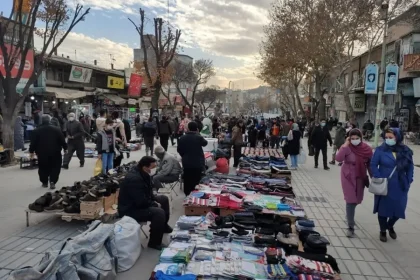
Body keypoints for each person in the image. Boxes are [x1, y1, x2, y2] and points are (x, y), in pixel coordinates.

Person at [118, 156, 172, 250]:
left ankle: (163, 226)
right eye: (152, 167)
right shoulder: (135, 179)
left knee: (163, 199)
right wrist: (154, 203)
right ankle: (154, 242)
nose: (153, 170)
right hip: (130, 209)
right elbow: (140, 201)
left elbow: (147, 192)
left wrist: (154, 199)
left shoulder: (143, 174)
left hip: (140, 202)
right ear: (144, 167)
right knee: (158, 212)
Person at [370, 128, 414, 242]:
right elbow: (373, 164)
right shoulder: (381, 150)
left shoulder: (405, 150)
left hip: (401, 184)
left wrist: (409, 180)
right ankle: (383, 230)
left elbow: (410, 167)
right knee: (383, 209)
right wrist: (379, 177)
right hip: (385, 184)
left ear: (398, 137)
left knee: (399, 209)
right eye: (386, 137)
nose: (388, 140)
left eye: (391, 137)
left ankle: (390, 225)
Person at [336, 129, 373, 237]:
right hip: (347, 175)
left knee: (357, 199)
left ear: (361, 138)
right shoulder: (347, 147)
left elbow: (370, 163)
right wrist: (345, 144)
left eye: (357, 138)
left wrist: (374, 177)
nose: (355, 140)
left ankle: (349, 215)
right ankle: (350, 227)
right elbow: (338, 158)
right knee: (350, 200)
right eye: (352, 138)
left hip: (360, 176)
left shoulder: (366, 149)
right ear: (349, 138)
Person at [29, 115, 67, 189]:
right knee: (55, 167)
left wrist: (31, 151)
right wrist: (65, 148)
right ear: (50, 120)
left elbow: (33, 142)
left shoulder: (36, 130)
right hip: (55, 152)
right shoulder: (56, 129)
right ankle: (53, 181)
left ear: (41, 121)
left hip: (41, 153)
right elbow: (62, 140)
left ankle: (44, 182)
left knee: (43, 167)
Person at [177, 121, 208, 196]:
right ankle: (195, 195)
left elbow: (179, 150)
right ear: (197, 129)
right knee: (197, 179)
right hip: (197, 162)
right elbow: (205, 143)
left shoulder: (182, 138)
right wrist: (198, 133)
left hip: (187, 163)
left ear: (188, 128)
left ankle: (187, 194)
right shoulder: (198, 137)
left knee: (187, 179)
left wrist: (184, 156)